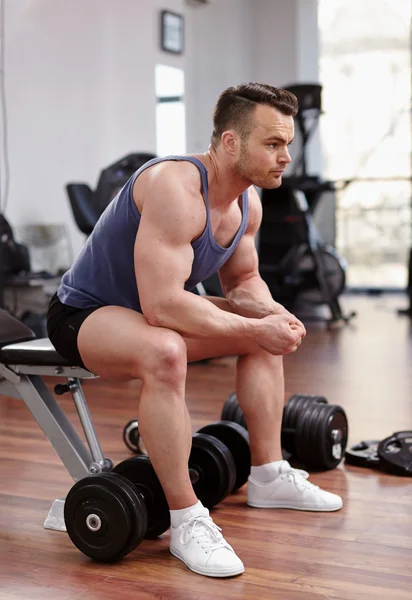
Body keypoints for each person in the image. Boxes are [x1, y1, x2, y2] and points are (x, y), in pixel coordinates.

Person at [47, 82, 343, 578]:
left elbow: (245, 280)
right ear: (230, 143)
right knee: (165, 351)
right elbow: (163, 306)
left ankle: (269, 474)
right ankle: (187, 519)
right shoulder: (175, 187)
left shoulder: (248, 203)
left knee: (261, 324)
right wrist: (256, 327)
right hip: (86, 313)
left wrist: (271, 317)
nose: (285, 157)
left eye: (286, 144)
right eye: (272, 144)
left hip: (148, 311)